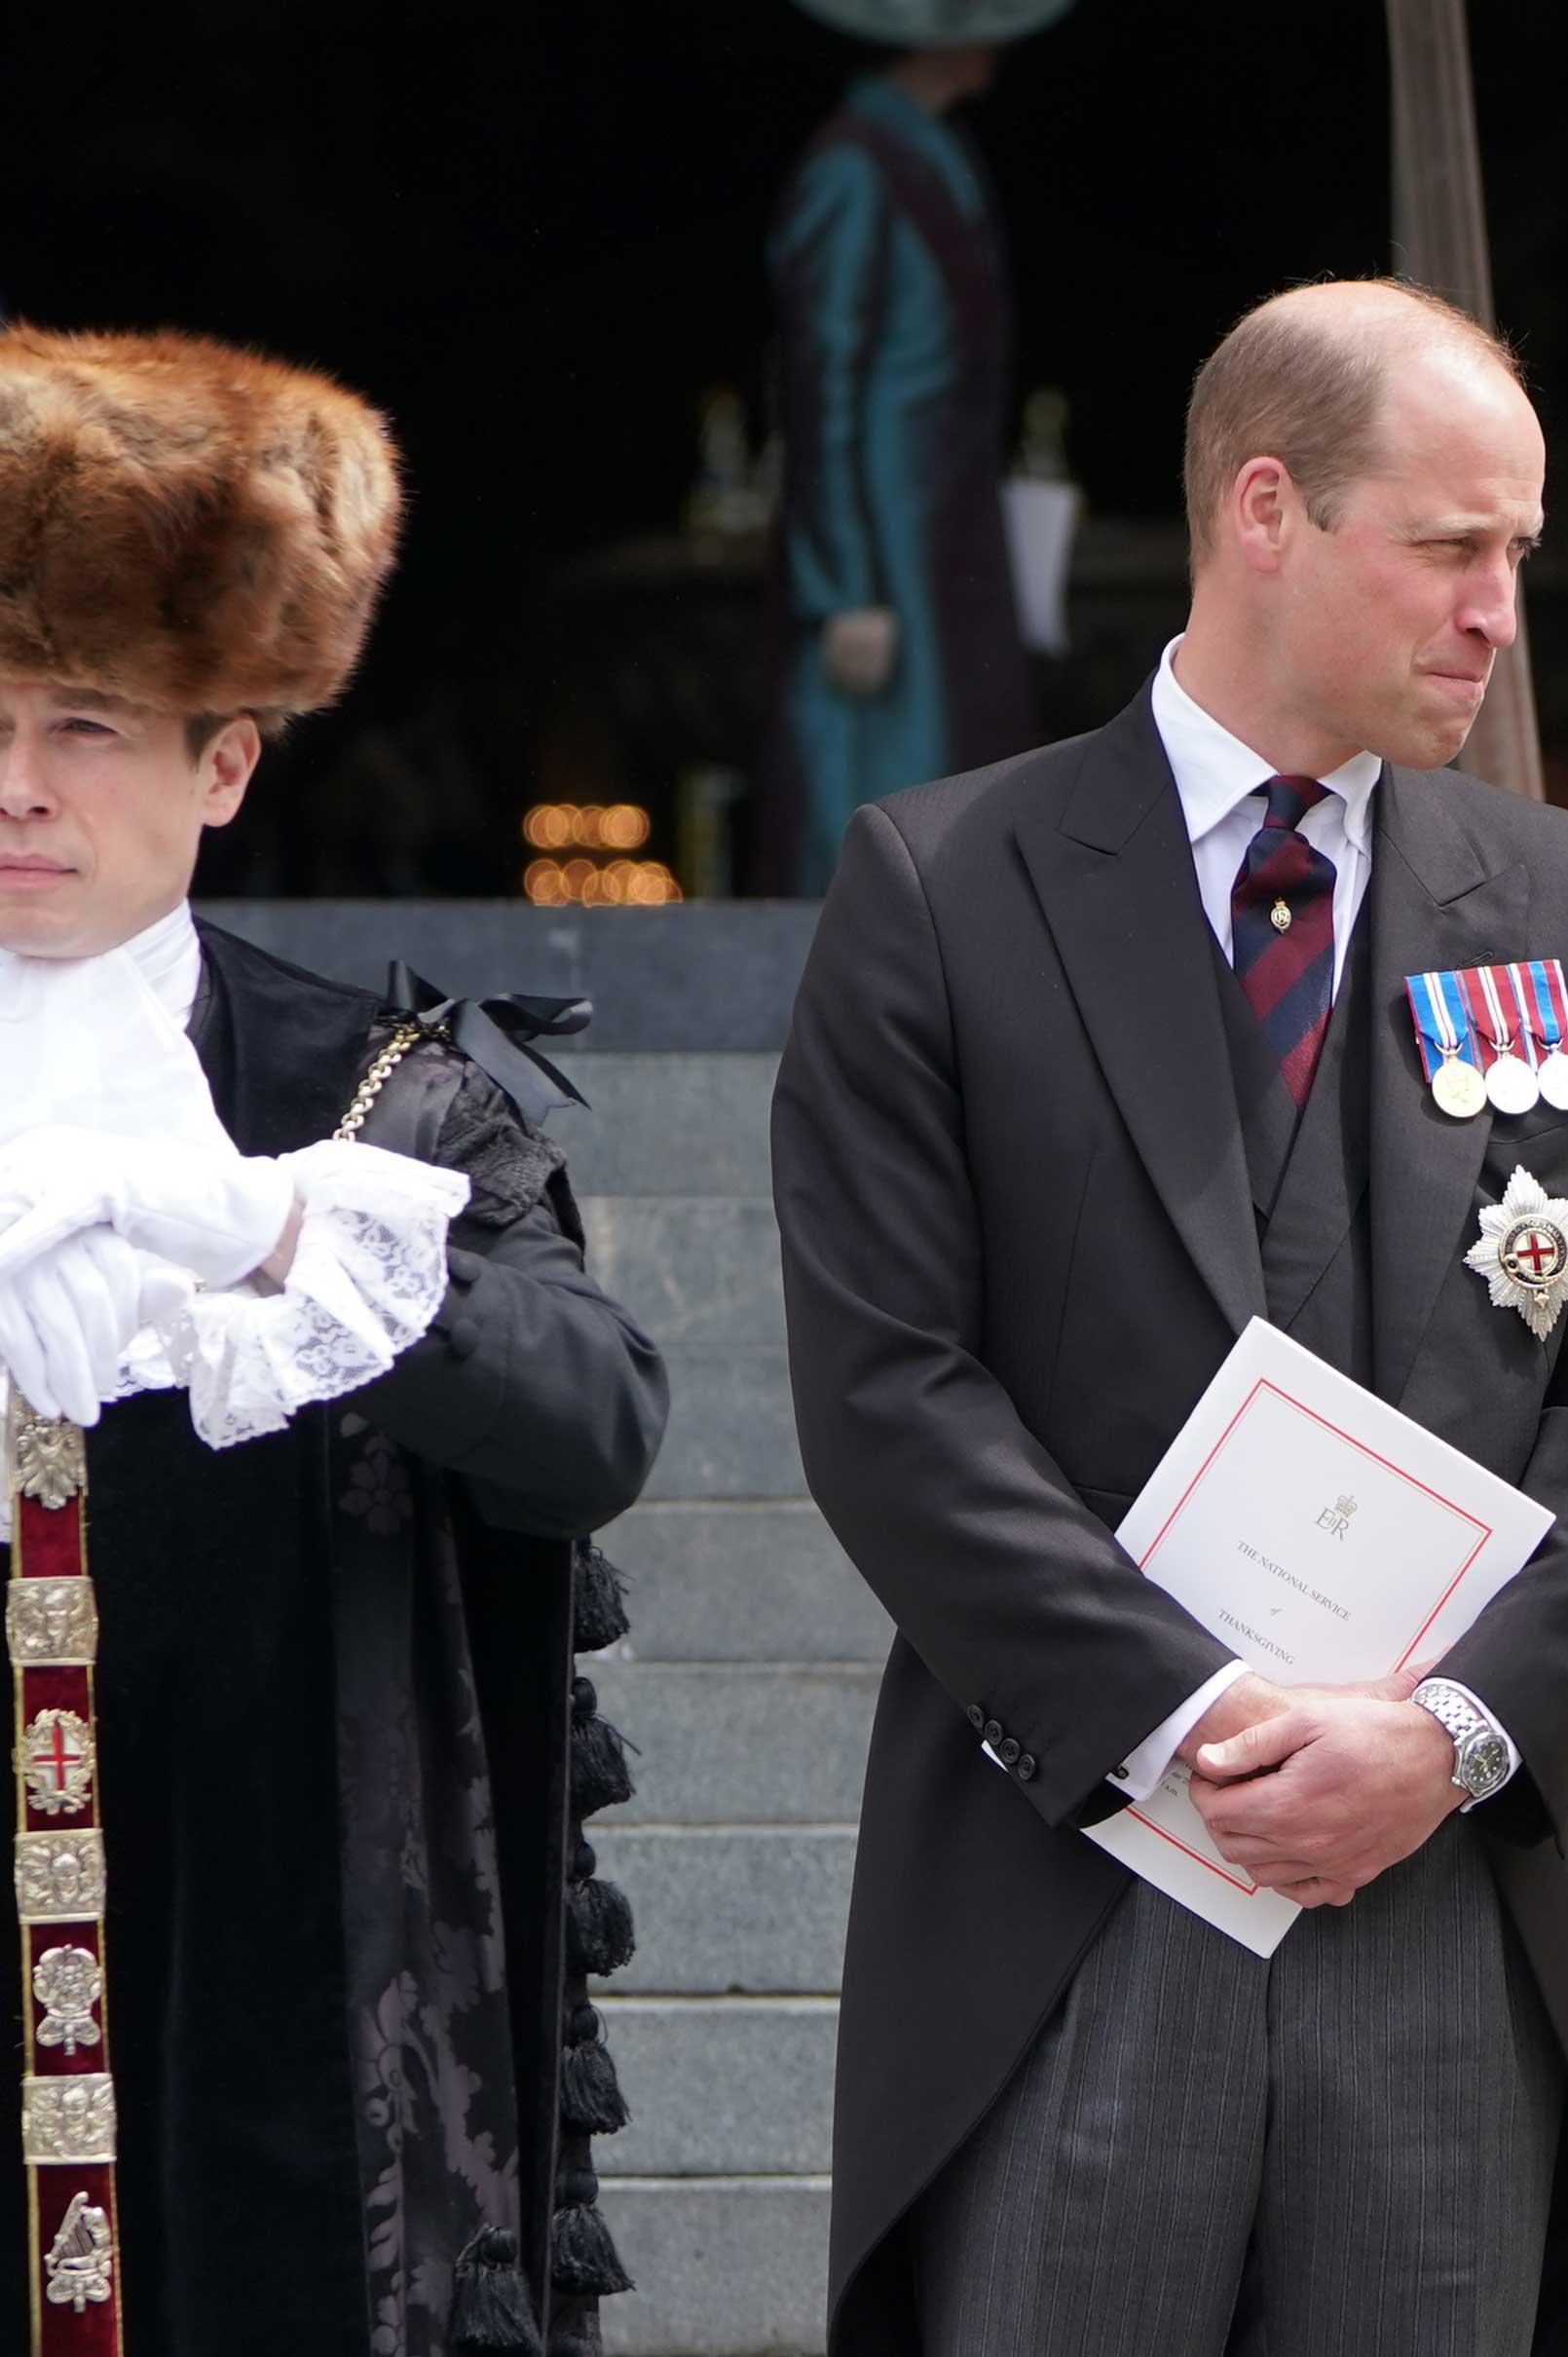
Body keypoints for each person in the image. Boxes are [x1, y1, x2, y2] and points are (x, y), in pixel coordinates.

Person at [779, 279, 1568, 2357]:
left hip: (1445, 1898)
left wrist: (1444, 1734)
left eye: (1520, 552)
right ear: (1266, 510)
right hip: (1080, 1872)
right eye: (1450, 545)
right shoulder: (946, 888)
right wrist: (1186, 1725)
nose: (1498, 610)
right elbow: (888, 1386)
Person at [0, 327, 669, 2356]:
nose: (15, 784)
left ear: (225, 759)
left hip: (281, 2009)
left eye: (88, 723)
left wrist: (299, 1237)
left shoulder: (365, 1096)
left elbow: (592, 1421)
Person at [765, 0, 1064, 894]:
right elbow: (824, 384)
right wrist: (845, 587)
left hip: (941, 521)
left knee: (953, 774)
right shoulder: (855, 168)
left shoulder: (931, 150)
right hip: (884, 539)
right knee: (880, 770)